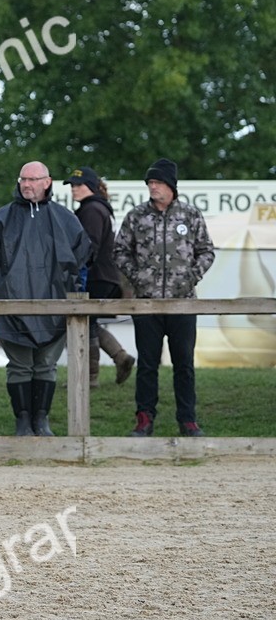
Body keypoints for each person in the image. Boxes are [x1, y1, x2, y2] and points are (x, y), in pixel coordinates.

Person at [0, 161, 91, 437]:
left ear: (47, 182)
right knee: (19, 367)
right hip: (11, 309)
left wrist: (75, 297)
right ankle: (22, 421)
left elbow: (81, 263)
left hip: (55, 309)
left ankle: (41, 420)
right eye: (23, 179)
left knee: (46, 366)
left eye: (33, 179)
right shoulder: (2, 218)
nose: (26, 184)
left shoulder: (66, 219)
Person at [114, 159, 215, 437]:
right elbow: (120, 251)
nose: (152, 187)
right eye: (150, 183)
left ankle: (188, 420)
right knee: (147, 365)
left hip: (183, 304)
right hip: (147, 304)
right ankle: (144, 419)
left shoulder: (190, 215)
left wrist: (190, 277)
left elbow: (207, 251)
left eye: (157, 182)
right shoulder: (136, 216)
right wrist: (139, 278)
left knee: (184, 365)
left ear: (171, 185)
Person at [63, 166, 136, 388]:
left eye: (79, 185)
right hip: (106, 276)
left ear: (92, 187)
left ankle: (89, 377)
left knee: (84, 323)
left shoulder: (91, 209)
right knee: (89, 322)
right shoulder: (99, 207)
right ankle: (120, 356)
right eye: (72, 185)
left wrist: (74, 271)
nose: (74, 189)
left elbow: (89, 246)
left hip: (94, 276)